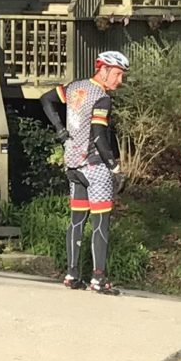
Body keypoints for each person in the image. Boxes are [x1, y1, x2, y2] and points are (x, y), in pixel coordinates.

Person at [60, 50, 127, 295]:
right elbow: (99, 135)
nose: (120, 80)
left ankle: (71, 273)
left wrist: (59, 129)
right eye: (118, 74)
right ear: (104, 70)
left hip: (73, 165)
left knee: (76, 220)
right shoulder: (102, 97)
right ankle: (98, 279)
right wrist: (114, 166)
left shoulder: (74, 87)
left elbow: (47, 99)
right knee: (101, 222)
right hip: (95, 166)